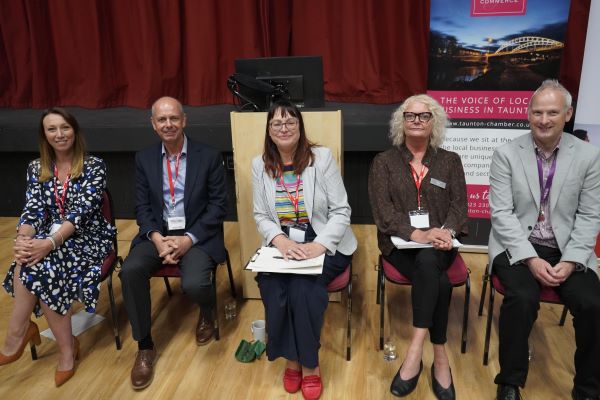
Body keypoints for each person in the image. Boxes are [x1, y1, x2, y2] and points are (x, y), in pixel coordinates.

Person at [488, 80, 600, 400]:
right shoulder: (506, 154)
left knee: (593, 304)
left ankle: (588, 389)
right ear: (528, 114)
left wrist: (572, 261)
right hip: (517, 246)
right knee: (522, 297)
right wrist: (531, 258)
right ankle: (509, 382)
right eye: (537, 112)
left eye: (552, 112)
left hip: (567, 249)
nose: (544, 119)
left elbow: (590, 215)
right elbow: (502, 214)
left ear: (568, 114)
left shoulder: (589, 156)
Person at [0, 108, 116, 387]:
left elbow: (80, 214)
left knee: (40, 263)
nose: (59, 134)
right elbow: (33, 211)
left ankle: (19, 334)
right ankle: (63, 346)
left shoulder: (94, 166)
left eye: (65, 127)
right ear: (44, 135)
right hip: (49, 238)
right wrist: (23, 239)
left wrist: (49, 243)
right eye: (52, 129)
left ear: (75, 131)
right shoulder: (36, 168)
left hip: (88, 238)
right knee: (31, 258)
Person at [119, 96, 227, 390]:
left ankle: (207, 311)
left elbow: (218, 207)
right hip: (158, 234)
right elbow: (142, 207)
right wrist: (156, 238)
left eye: (174, 118)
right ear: (153, 124)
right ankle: (145, 346)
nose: (168, 124)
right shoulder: (144, 158)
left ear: (184, 120)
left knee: (194, 284)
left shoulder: (208, 156)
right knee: (130, 272)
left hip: (196, 234)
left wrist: (187, 240)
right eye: (162, 119)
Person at [252, 100, 357, 400]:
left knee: (303, 289)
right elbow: (261, 215)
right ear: (269, 130)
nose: (284, 128)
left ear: (300, 127)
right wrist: (280, 241)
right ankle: (292, 359)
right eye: (277, 123)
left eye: (290, 122)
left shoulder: (321, 158)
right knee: (272, 284)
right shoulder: (260, 165)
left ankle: (309, 364)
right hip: (283, 242)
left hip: (324, 239)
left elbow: (341, 211)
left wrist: (318, 245)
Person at [369, 94, 467, 400]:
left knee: (429, 262)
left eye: (424, 116)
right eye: (410, 115)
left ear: (433, 122)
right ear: (401, 121)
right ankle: (439, 354)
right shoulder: (384, 162)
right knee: (438, 278)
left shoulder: (450, 161)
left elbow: (459, 206)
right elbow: (383, 212)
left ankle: (414, 352)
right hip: (400, 245)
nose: (416, 121)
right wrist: (417, 234)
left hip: (440, 244)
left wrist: (446, 232)